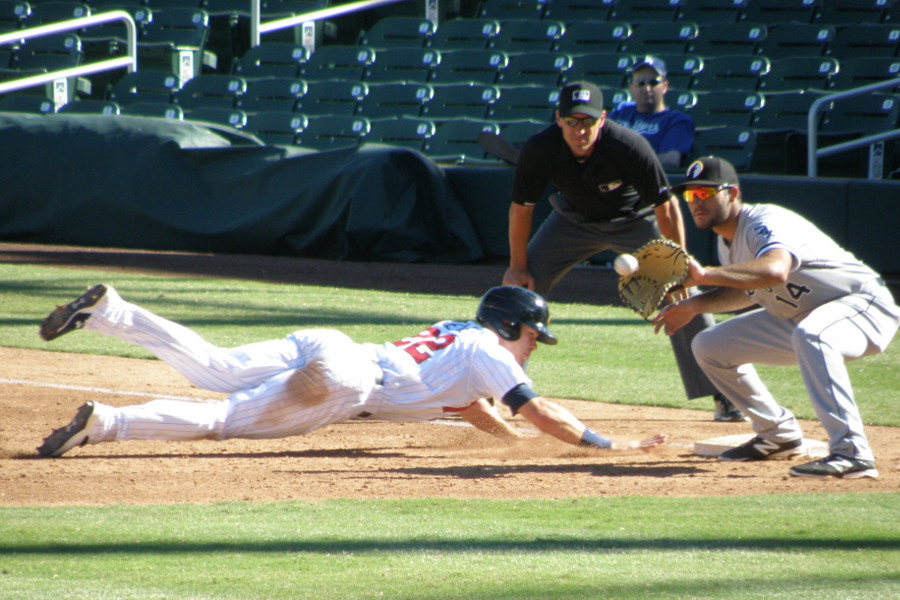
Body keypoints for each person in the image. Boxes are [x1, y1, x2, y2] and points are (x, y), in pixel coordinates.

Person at [36, 284, 666, 457]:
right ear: (508, 328)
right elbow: (540, 410)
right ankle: (109, 423)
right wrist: (613, 445)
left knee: (216, 367)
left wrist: (516, 445)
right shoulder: (490, 353)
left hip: (332, 345)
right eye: (533, 334)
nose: (534, 345)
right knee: (220, 419)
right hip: (352, 382)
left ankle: (113, 312)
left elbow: (484, 414)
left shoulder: (462, 342)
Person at [501, 80, 744, 422]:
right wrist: (517, 266)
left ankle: (725, 393)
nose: (579, 130)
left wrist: (677, 263)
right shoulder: (540, 148)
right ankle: (496, 384)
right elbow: (520, 209)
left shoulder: (628, 146)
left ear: (602, 119)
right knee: (516, 293)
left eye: (587, 121)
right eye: (572, 121)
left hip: (635, 222)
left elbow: (668, 208)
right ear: (558, 119)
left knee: (682, 294)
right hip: (572, 221)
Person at [654, 156, 899, 479]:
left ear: (733, 194)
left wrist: (706, 275)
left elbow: (775, 270)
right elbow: (749, 290)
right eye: (690, 196)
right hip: (802, 316)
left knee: (814, 334)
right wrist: (696, 306)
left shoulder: (762, 222)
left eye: (706, 193)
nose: (696, 202)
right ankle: (777, 432)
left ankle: (852, 452)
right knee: (709, 345)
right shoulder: (726, 242)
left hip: (863, 307)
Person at [608, 56, 695, 169]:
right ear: (631, 87)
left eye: (653, 83)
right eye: (640, 83)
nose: (647, 88)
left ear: (665, 87)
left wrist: (627, 161)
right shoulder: (621, 112)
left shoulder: (676, 121)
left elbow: (671, 160)